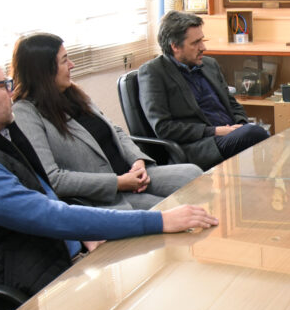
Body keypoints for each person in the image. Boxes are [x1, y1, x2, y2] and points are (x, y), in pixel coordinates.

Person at [0, 45, 218, 310]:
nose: (10, 92)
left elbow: (41, 192)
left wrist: (79, 234)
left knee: (159, 285)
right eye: (2, 85)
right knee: (146, 300)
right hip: (8, 300)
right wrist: (161, 220)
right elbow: (46, 214)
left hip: (40, 261)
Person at [11, 32, 202, 210]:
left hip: (131, 174)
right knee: (169, 209)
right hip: (103, 195)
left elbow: (116, 130)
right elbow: (54, 178)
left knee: (195, 176)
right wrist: (118, 182)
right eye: (64, 61)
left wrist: (137, 161)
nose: (72, 65)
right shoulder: (25, 113)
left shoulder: (72, 93)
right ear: (44, 71)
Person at [138, 11, 269, 170]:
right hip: (200, 146)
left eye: (202, 40)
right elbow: (164, 128)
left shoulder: (209, 64)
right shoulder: (154, 73)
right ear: (175, 46)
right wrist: (215, 131)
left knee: (261, 136)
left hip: (229, 134)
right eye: (195, 43)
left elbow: (232, 104)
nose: (203, 47)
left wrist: (240, 125)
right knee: (256, 134)